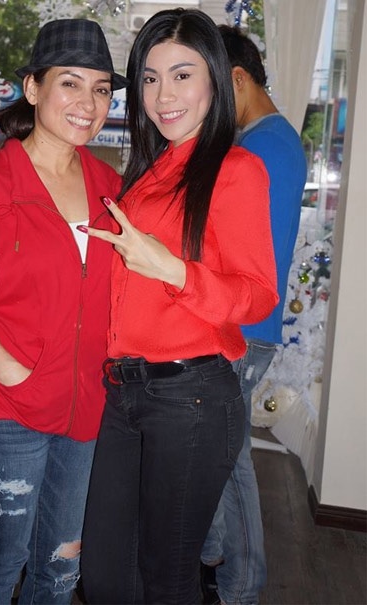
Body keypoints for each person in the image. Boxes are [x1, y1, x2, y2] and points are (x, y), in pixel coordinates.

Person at [79, 9, 279, 604]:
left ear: (216, 80)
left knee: (166, 580)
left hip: (189, 396)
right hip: (125, 392)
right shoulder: (148, 171)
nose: (163, 95)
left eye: (182, 75)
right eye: (150, 78)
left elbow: (257, 294)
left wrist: (173, 270)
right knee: (106, 575)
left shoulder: (235, 169)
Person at [0, 18, 128, 605]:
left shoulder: (110, 187)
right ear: (34, 88)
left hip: (83, 410)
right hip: (2, 408)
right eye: (70, 83)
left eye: (100, 89)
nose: (88, 102)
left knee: (60, 569)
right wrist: (14, 373)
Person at [199, 25, 308, 605]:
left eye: (212, 85)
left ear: (237, 78)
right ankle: (214, 555)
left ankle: (240, 586)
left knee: (228, 457)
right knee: (222, 452)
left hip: (241, 327)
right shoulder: (278, 140)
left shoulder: (257, 149)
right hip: (252, 324)